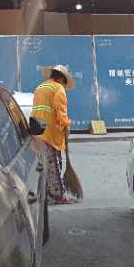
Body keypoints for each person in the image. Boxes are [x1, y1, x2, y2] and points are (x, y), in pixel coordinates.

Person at [30, 64, 76, 205]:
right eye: (64, 82)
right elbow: (60, 111)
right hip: (49, 133)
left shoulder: (40, 87)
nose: (64, 86)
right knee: (54, 165)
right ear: (61, 79)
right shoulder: (58, 89)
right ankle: (57, 195)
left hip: (37, 131)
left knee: (44, 165)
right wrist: (66, 125)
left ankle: (47, 193)